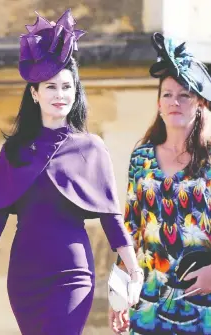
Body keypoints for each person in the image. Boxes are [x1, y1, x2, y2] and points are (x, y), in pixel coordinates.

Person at [0, 9, 143, 335]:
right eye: (50, 87)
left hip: (72, 273)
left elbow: (111, 217)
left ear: (76, 92)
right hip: (24, 275)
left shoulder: (92, 148)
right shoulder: (15, 149)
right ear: (34, 94)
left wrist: (133, 267)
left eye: (66, 87)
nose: (60, 95)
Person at [110, 32, 211, 335]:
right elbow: (129, 229)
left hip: (203, 300)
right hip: (149, 300)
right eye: (167, 94)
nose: (175, 102)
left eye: (184, 95)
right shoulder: (142, 158)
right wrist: (119, 294)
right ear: (158, 104)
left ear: (200, 104)